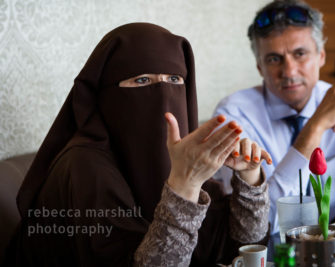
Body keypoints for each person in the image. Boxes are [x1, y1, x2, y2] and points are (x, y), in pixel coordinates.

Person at [3, 23, 272, 266]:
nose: (164, 96)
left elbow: (244, 250)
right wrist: (184, 187)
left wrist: (249, 179)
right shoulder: (84, 167)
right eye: (142, 80)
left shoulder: (180, 160)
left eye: (174, 80)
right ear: (106, 95)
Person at [213, 0, 335, 235]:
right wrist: (316, 125)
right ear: (259, 67)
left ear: (321, 56)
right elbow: (259, 224)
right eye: (273, 59)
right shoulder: (233, 114)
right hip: (274, 242)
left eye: (300, 54)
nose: (289, 72)